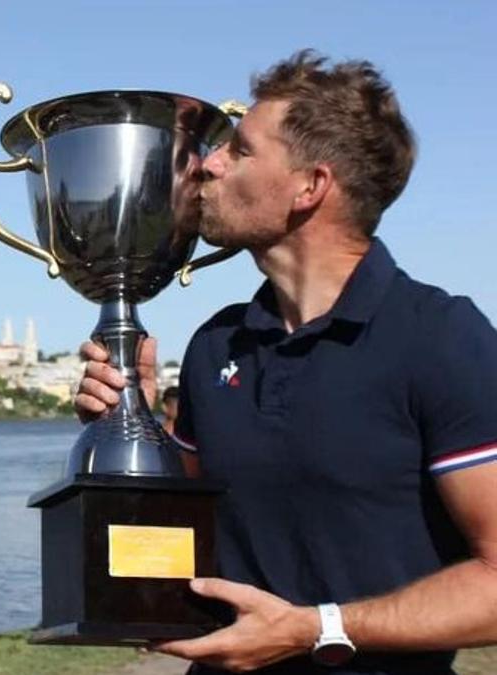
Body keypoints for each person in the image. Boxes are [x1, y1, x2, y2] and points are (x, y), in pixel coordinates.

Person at [75, 50, 497, 674]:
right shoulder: (216, 345)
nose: (208, 165)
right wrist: (128, 425)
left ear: (311, 187)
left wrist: (314, 630)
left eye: (240, 151)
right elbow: (179, 535)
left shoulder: (439, 337)